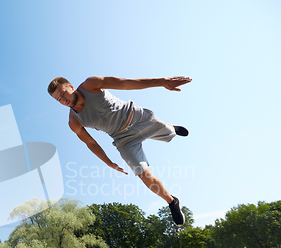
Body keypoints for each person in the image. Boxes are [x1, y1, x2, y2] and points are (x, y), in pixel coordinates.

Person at [48, 76, 192, 226]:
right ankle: (172, 201)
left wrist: (163, 81)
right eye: (59, 100)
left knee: (168, 132)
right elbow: (90, 143)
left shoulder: (91, 85)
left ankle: (171, 128)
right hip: (123, 140)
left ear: (71, 87)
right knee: (143, 175)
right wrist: (109, 163)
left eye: (63, 94)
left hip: (136, 118)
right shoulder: (74, 121)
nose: (63, 100)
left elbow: (127, 84)